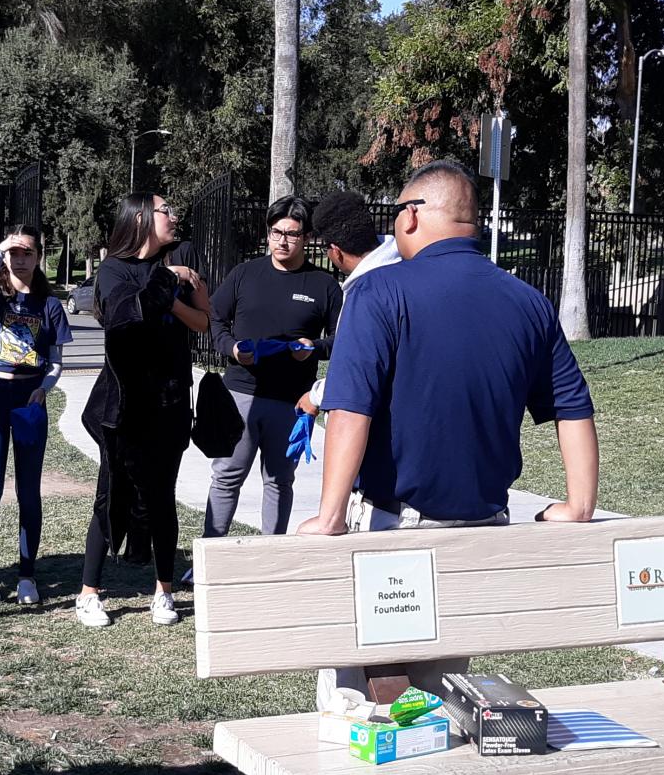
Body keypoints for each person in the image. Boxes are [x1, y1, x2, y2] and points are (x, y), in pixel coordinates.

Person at [296, 162, 599, 705]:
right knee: (437, 701)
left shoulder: (378, 292)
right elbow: (572, 406)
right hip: (481, 532)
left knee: (356, 709)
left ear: (412, 216)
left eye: (395, 213)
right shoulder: (528, 301)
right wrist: (579, 504)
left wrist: (331, 515)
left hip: (394, 530)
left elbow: (350, 409)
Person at [75, 193, 210, 628]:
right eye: (165, 210)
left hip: (171, 400)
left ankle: (163, 593)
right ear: (140, 219)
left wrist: (175, 293)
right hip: (126, 404)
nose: (174, 215)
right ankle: (89, 594)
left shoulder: (181, 259)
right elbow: (125, 315)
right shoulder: (115, 269)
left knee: (162, 496)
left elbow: (203, 321)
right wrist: (168, 281)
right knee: (111, 492)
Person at [202, 194, 342, 537]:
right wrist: (232, 348)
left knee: (279, 481)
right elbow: (214, 318)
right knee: (226, 476)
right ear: (268, 233)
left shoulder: (323, 285)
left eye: (292, 234)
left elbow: (343, 339)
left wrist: (314, 348)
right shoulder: (244, 274)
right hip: (240, 394)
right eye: (276, 232)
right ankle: (212, 549)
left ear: (306, 237)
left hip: (292, 401)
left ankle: (272, 550)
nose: (282, 241)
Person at [0, 225, 71, 605]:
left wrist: (44, 388)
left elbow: (56, 362)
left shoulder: (50, 305)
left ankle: (27, 576)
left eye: (27, 252)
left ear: (39, 257)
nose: (20, 259)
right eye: (14, 252)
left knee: (28, 491)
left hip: (29, 401)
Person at [298, 191, 400, 418]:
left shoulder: (368, 292)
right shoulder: (405, 267)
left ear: (336, 251)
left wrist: (315, 396)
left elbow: (357, 366)